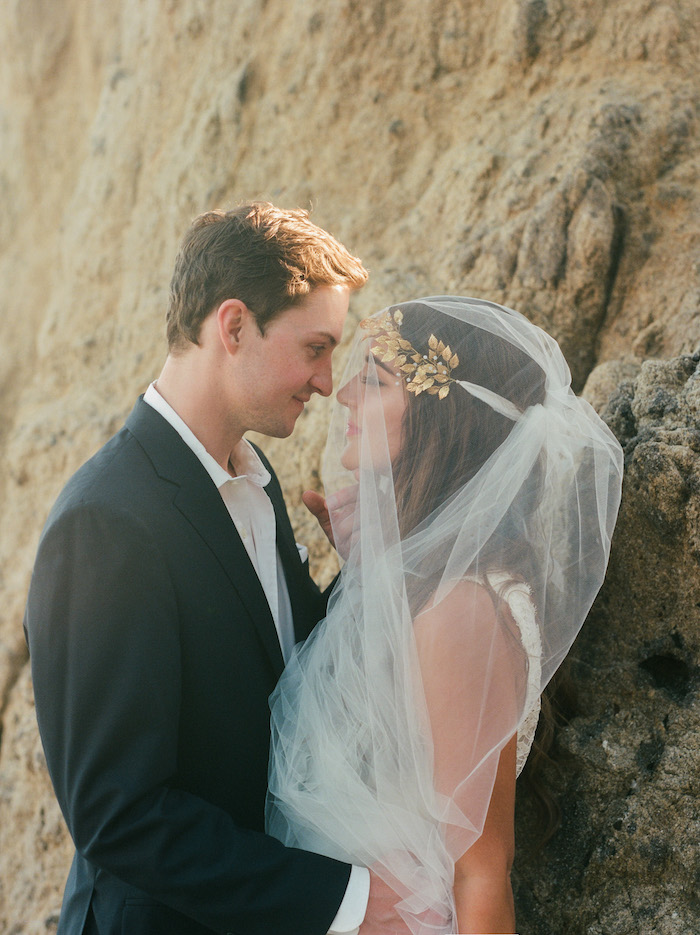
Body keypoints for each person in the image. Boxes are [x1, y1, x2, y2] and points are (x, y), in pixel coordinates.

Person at [23, 203, 410, 935]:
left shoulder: (254, 476)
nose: (328, 381)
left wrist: (365, 573)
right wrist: (342, 901)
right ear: (232, 327)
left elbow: (283, 682)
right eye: (315, 348)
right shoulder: (105, 522)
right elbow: (120, 815)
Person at [266, 296, 624, 934]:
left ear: (441, 417)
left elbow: (481, 868)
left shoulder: (463, 608)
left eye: (374, 381)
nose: (343, 394)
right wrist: (370, 570)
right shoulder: (431, 588)